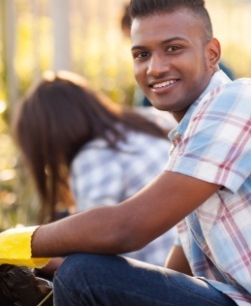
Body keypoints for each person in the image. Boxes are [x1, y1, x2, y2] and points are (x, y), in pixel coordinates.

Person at [1, 0, 251, 305]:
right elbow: (177, 268)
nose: (155, 68)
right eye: (141, 54)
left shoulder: (236, 102)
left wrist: (12, 242)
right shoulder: (186, 137)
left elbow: (126, 229)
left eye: (173, 48)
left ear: (212, 53)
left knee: (83, 274)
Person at [11, 70, 176, 271]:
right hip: (197, 269)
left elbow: (94, 261)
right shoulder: (149, 119)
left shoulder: (94, 156)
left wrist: (28, 255)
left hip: (162, 277)